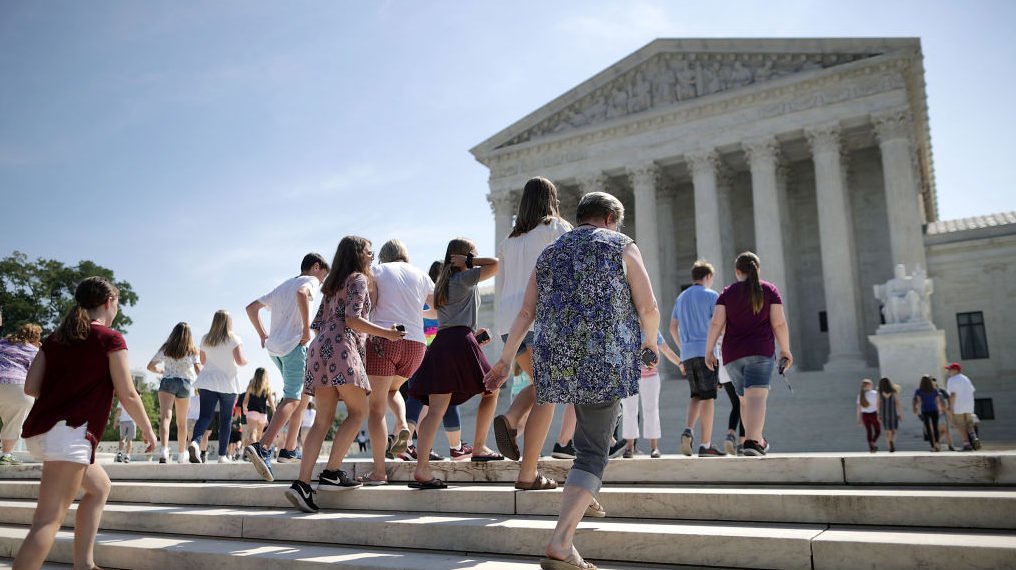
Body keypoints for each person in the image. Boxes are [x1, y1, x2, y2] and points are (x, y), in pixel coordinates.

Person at [484, 191, 659, 569]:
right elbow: (647, 306)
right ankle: (562, 542)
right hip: (602, 354)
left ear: (581, 217)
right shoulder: (622, 245)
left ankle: (585, 493)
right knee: (593, 450)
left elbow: (526, 310)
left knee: (584, 434)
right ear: (611, 218)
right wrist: (649, 343)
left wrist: (504, 359)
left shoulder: (549, 253)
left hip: (555, 352)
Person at [14, 277, 156, 570]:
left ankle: (85, 565)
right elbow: (128, 392)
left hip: (44, 431)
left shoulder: (55, 338)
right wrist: (147, 428)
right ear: (109, 303)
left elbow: (30, 387)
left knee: (99, 487)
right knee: (47, 521)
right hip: (69, 434)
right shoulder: (110, 338)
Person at [285, 236, 405, 512]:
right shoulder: (357, 280)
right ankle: (331, 471)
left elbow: (317, 324)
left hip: (319, 349)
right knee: (359, 411)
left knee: (321, 421)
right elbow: (352, 319)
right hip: (342, 346)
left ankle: (302, 484)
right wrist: (387, 333)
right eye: (369, 253)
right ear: (359, 255)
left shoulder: (330, 284)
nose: (372, 257)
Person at [491, 177, 577, 480]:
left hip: (510, 324)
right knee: (549, 392)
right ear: (551, 199)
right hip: (542, 318)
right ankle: (528, 473)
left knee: (542, 384)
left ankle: (512, 417)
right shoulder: (557, 228)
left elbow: (500, 287)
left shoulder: (508, 242)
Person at [408, 237, 502, 489]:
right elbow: (496, 265)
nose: (474, 259)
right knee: (492, 390)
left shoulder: (442, 283)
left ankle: (422, 469)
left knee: (436, 410)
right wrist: (470, 262)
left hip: (444, 341)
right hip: (461, 339)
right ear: (461, 257)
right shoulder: (463, 278)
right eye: (472, 254)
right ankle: (480, 446)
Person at [245, 253, 329, 480]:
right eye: (323, 277)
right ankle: (263, 446)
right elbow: (303, 294)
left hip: (275, 349)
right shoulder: (308, 282)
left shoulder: (283, 285)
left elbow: (251, 308)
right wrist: (305, 330)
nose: (322, 283)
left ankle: (289, 449)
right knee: (292, 398)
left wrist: (263, 334)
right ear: (316, 267)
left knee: (302, 397)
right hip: (294, 346)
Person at [362, 239, 437, 484]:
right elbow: (438, 311)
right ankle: (403, 424)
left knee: (375, 409)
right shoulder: (421, 275)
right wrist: (417, 312)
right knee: (394, 389)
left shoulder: (378, 271)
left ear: (383, 256)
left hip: (385, 339)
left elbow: (368, 304)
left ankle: (379, 472)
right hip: (416, 345)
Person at [705, 251, 793, 457]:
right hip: (760, 350)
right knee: (757, 396)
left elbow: (716, 323)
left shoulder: (727, 293)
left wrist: (709, 351)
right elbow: (779, 322)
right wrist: (785, 349)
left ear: (738, 271)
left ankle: (755, 439)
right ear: (757, 269)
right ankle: (753, 442)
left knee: (745, 399)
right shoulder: (769, 290)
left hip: (732, 354)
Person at [672, 260, 727, 457]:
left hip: (687, 353)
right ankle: (705, 445)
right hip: (706, 351)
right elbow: (719, 324)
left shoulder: (681, 297)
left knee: (695, 395)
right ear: (708, 277)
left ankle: (688, 430)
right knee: (708, 397)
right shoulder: (712, 296)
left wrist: (683, 346)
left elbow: (672, 327)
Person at [190, 310, 248, 463]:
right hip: (227, 383)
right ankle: (222, 456)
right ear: (229, 322)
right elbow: (241, 361)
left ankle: (195, 442)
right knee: (226, 420)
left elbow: (202, 361)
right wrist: (246, 360)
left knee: (204, 416)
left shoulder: (205, 338)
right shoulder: (234, 339)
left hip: (207, 381)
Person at [147, 322, 201, 464]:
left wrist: (161, 371)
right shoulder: (193, 350)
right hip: (185, 384)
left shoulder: (166, 348)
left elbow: (150, 366)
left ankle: (164, 451)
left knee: (166, 417)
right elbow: (197, 370)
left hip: (168, 382)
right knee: (182, 423)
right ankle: (181, 455)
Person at [621, 331, 680, 458]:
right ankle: (629, 448)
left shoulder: (652, 329)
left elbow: (666, 350)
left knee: (651, 410)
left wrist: (680, 364)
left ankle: (654, 448)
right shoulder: (626, 327)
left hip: (650, 377)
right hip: (629, 377)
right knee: (629, 411)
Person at [0, 323, 42, 466]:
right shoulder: (33, 351)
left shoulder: (2, 343)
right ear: (35, 337)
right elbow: (35, 374)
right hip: (18, 387)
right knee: (14, 422)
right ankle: (6, 454)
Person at [945, 362, 980, 450]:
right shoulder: (966, 378)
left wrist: (951, 407)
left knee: (960, 426)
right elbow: (972, 391)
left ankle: (966, 443)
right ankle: (974, 437)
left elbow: (952, 394)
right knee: (969, 424)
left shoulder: (952, 380)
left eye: (950, 369)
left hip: (958, 406)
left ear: (955, 370)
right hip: (969, 406)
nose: (948, 371)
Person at [242, 367, 275, 449]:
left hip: (252, 412)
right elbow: (272, 404)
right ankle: (258, 453)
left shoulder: (251, 386)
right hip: (263, 415)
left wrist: (244, 409)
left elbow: (245, 401)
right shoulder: (267, 388)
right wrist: (275, 413)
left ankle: (252, 452)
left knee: (252, 433)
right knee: (259, 435)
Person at [912, 375, 942, 452]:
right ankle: (937, 444)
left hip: (925, 410)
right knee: (935, 428)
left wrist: (918, 412)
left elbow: (919, 402)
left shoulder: (919, 390)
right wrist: (940, 410)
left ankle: (932, 446)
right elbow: (938, 401)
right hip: (934, 409)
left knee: (928, 429)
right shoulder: (934, 390)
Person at [878, 377, 904, 453]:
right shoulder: (894, 392)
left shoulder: (879, 393)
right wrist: (900, 414)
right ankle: (891, 442)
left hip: (884, 414)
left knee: (887, 431)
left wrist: (878, 415)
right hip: (893, 413)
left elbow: (878, 405)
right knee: (894, 430)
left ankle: (890, 445)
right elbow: (898, 403)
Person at [856, 378, 881, 453]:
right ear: (868, 385)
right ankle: (873, 442)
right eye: (871, 384)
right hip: (874, 414)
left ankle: (871, 448)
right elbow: (878, 405)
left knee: (869, 431)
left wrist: (858, 419)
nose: (872, 385)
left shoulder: (860, 395)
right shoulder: (875, 393)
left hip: (865, 415)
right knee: (878, 431)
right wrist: (879, 415)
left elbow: (858, 408)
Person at [113, 399, 135, 463]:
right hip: (132, 421)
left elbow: (118, 412)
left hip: (123, 421)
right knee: (129, 440)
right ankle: (127, 456)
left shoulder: (122, 400)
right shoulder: (136, 400)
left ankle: (119, 453)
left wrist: (115, 422)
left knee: (122, 438)